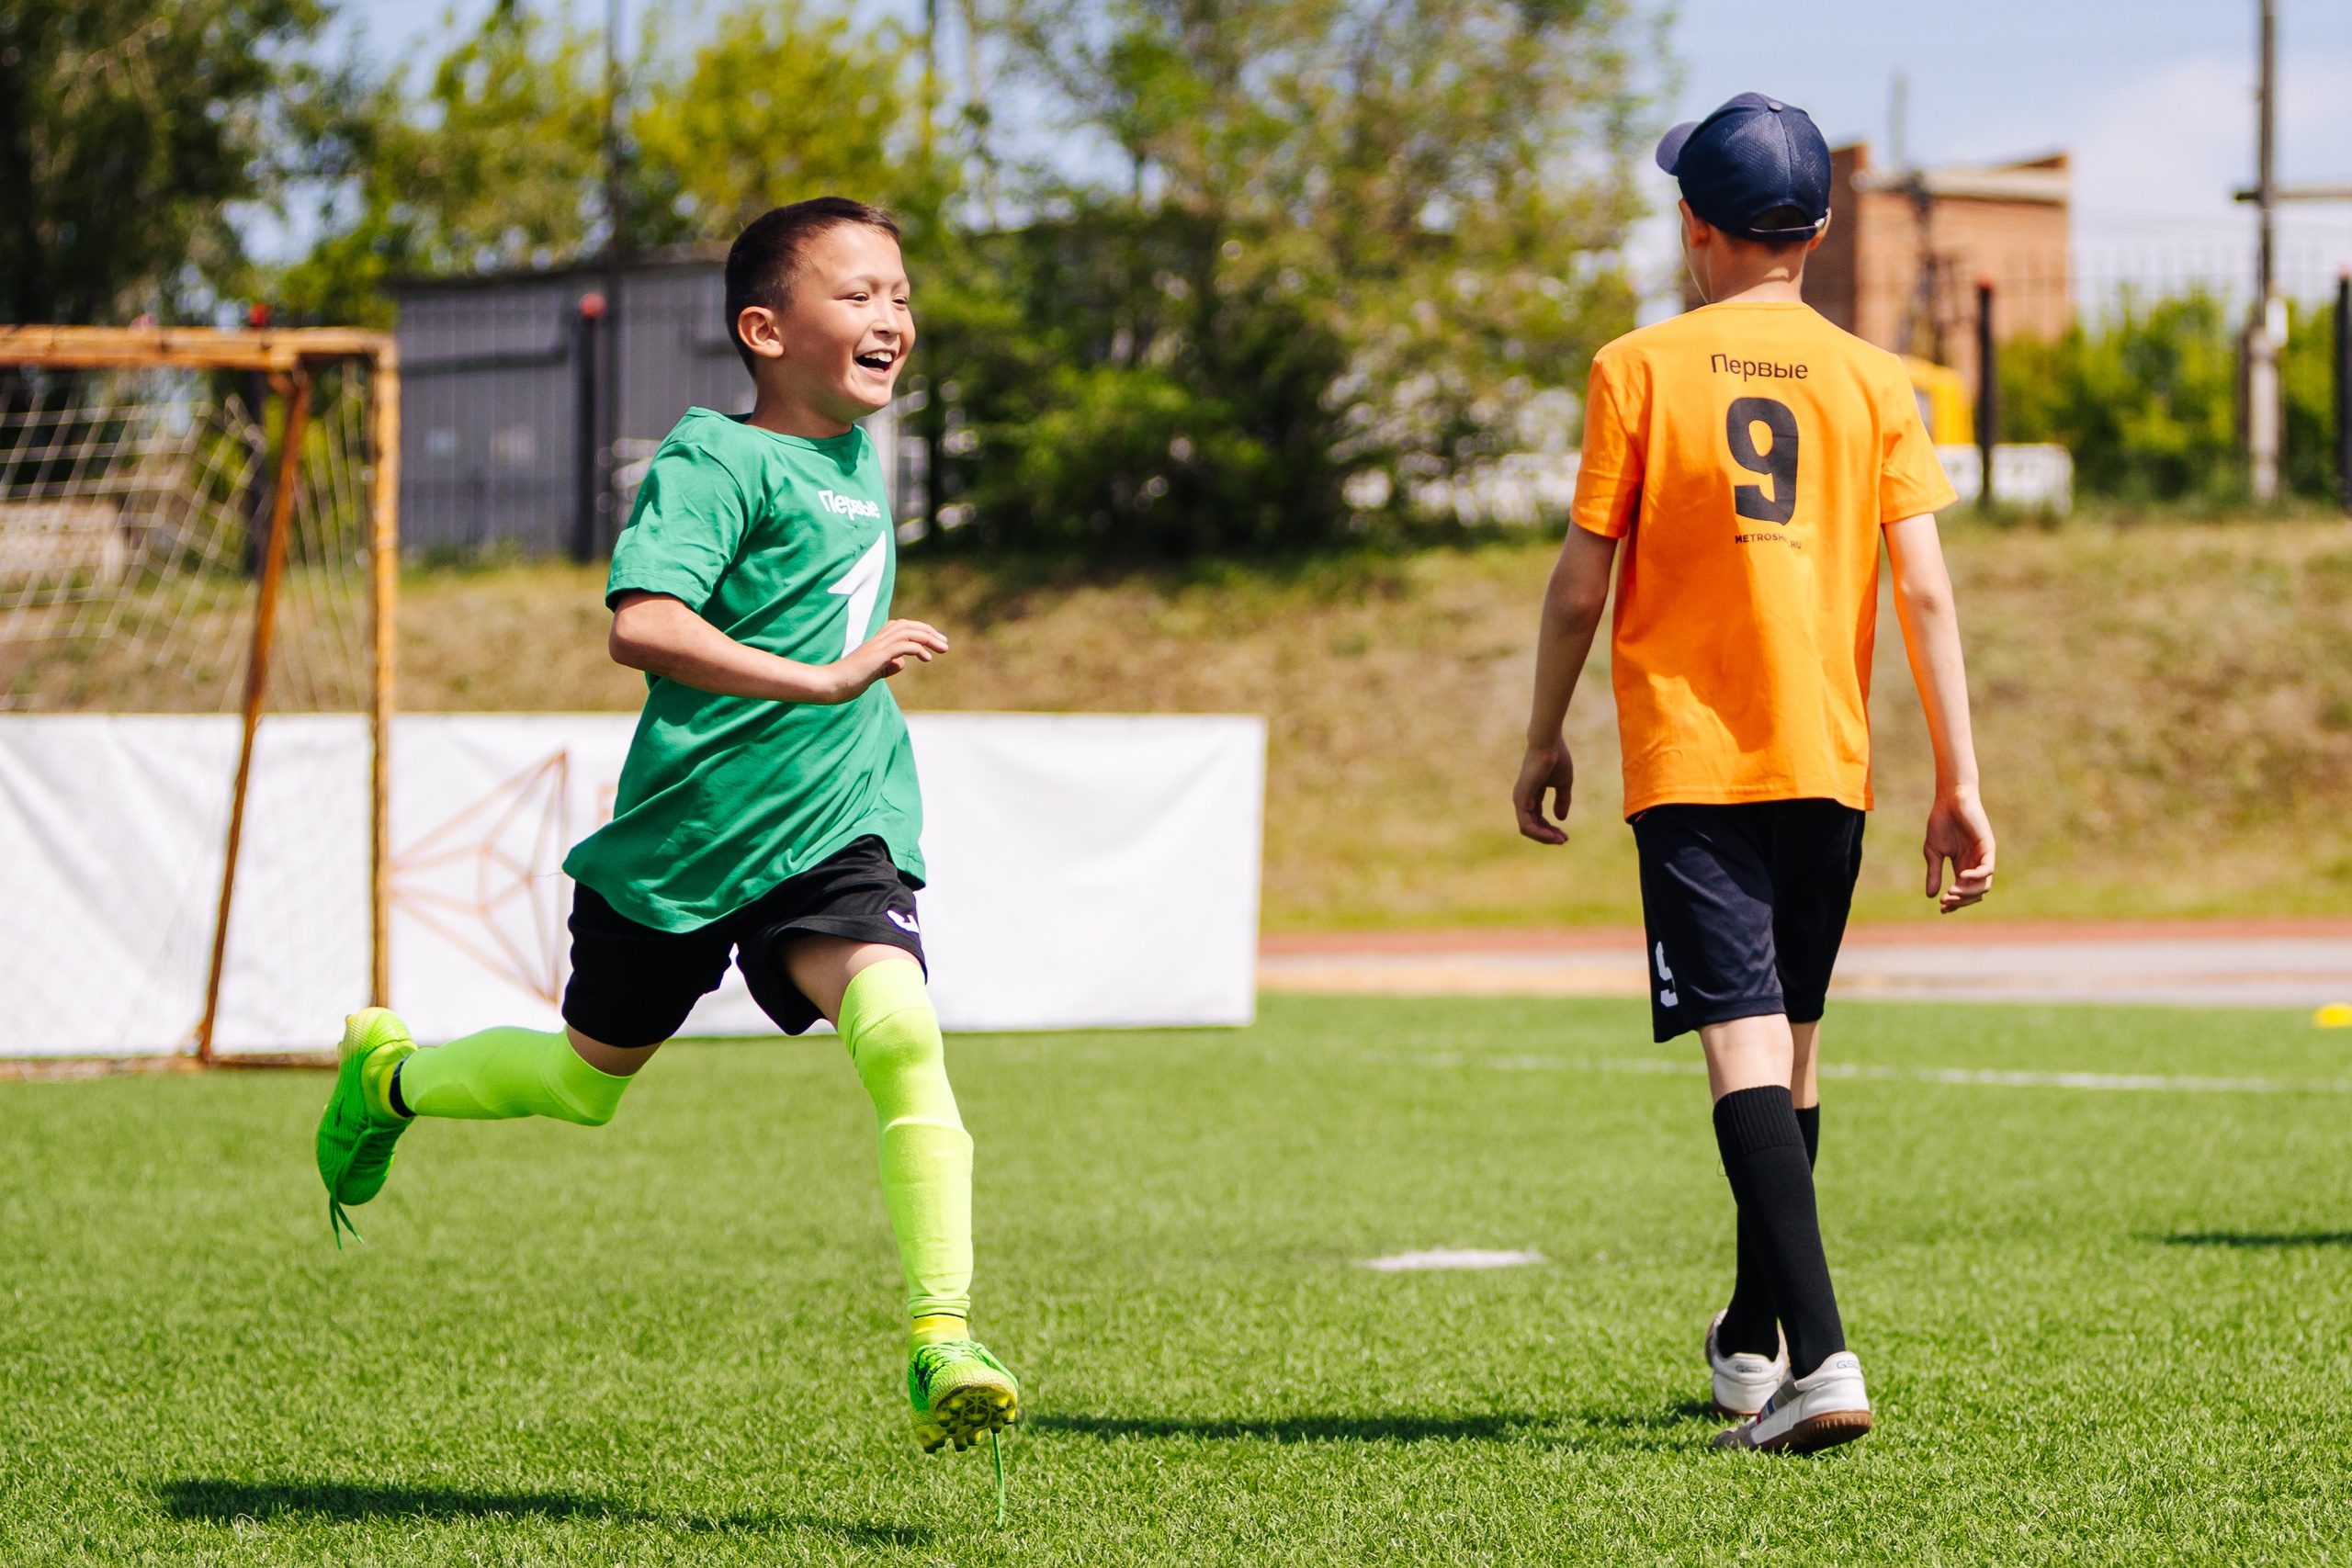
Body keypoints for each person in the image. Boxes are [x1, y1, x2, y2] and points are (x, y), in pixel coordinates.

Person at [314, 196, 1019, 1459]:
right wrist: (818, 677)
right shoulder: (714, 458)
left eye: (900, 295)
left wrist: (835, 708)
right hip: (688, 841)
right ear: (764, 328)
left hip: (836, 827)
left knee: (901, 1028)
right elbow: (641, 623)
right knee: (588, 1085)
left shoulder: (861, 452)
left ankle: (941, 1337)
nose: (893, 319)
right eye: (857, 294)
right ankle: (393, 1079)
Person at [1512, 94, 1996, 1454]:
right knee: (1792, 1048)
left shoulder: (1639, 367)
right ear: (1821, 230)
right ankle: (1752, 1336)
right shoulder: (1873, 378)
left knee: (1740, 1050)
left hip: (1696, 761)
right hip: (1828, 761)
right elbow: (1930, 595)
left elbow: (1578, 584)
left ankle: (1825, 1358)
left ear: (1693, 227)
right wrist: (1959, 780)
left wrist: (1545, 730)